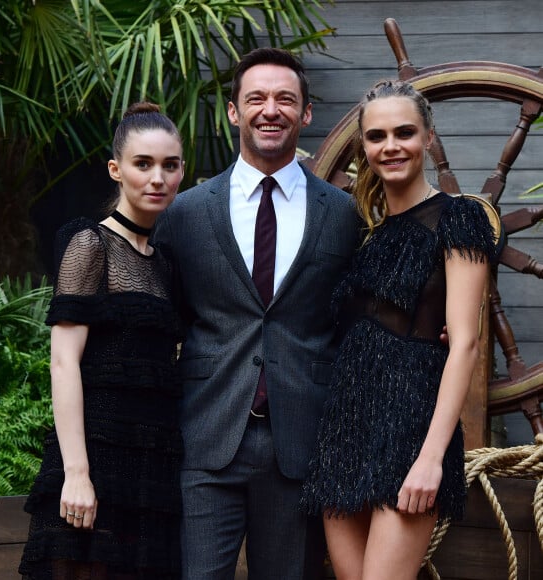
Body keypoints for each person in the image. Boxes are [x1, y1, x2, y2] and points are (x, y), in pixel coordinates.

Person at [153, 48, 359, 579]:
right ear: (233, 112)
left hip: (300, 443)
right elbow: (162, 320)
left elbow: (356, 320)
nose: (271, 110)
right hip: (206, 436)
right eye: (257, 99)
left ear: (306, 114)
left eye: (285, 99)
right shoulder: (187, 213)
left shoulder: (340, 215)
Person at [300, 79, 498, 580]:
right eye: (377, 136)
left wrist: (431, 458)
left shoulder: (460, 217)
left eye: (404, 132)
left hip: (411, 429)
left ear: (428, 137)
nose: (391, 146)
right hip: (344, 429)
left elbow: (465, 344)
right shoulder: (366, 233)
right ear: (363, 147)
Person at [19, 102, 186, 579]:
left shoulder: (164, 262)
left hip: (150, 472)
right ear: (116, 170)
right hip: (93, 463)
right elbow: (63, 362)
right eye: (143, 164)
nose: (158, 178)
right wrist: (76, 473)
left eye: (170, 165)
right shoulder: (89, 243)